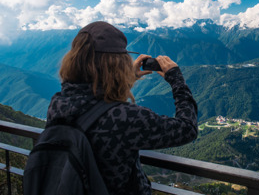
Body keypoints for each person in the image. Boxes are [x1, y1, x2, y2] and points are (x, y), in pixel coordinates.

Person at [46, 21, 198, 195]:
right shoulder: (126, 118)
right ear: (117, 65)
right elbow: (187, 129)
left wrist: (125, 82)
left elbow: (94, 106)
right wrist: (176, 80)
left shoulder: (58, 104)